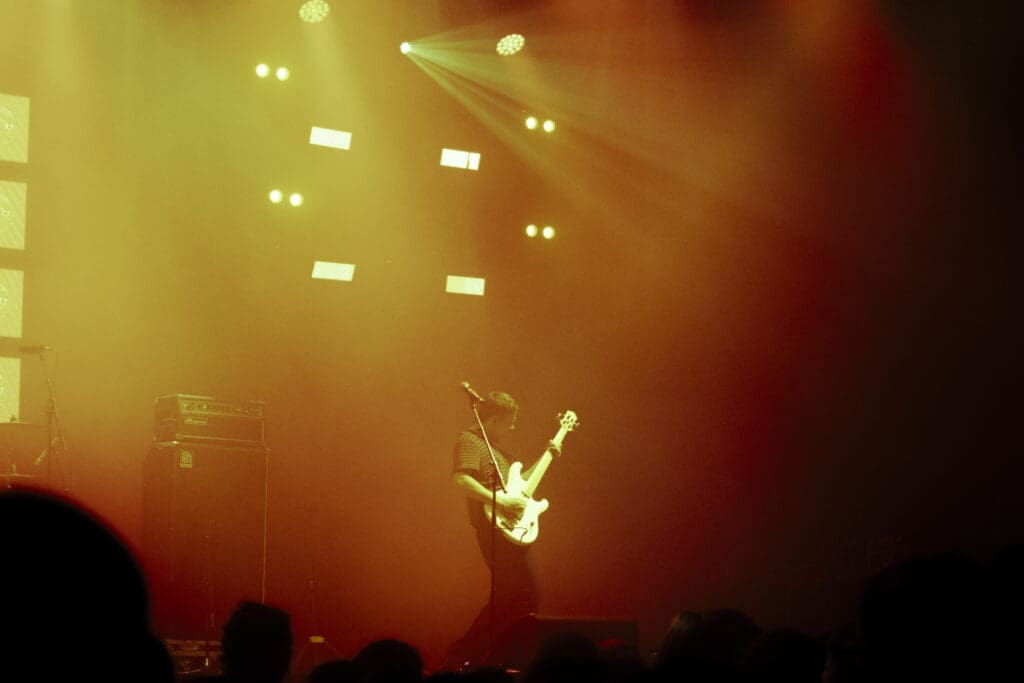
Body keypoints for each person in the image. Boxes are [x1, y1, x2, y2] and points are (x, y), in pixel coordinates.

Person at [443, 390, 561, 670]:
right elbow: (461, 480)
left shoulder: (499, 453)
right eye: (509, 422)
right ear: (494, 419)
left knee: (519, 595)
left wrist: (547, 456)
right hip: (492, 527)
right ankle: (463, 655)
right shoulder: (470, 440)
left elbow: (520, 487)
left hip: (511, 529)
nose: (513, 428)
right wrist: (500, 500)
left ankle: (495, 657)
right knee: (514, 594)